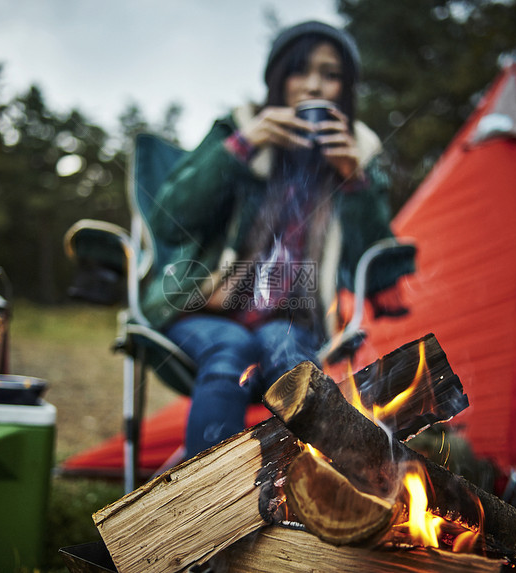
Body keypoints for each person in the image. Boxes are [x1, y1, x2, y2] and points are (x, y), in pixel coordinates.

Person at [140, 20, 414, 457]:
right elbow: (171, 220)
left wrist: (354, 181)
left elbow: (379, 269)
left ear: (345, 89)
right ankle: (208, 506)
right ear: (277, 79)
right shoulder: (240, 129)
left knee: (286, 359)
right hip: (205, 304)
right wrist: (243, 145)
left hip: (294, 319)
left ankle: (309, 496)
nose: (313, 87)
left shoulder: (358, 153)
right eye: (299, 71)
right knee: (231, 350)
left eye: (330, 74)